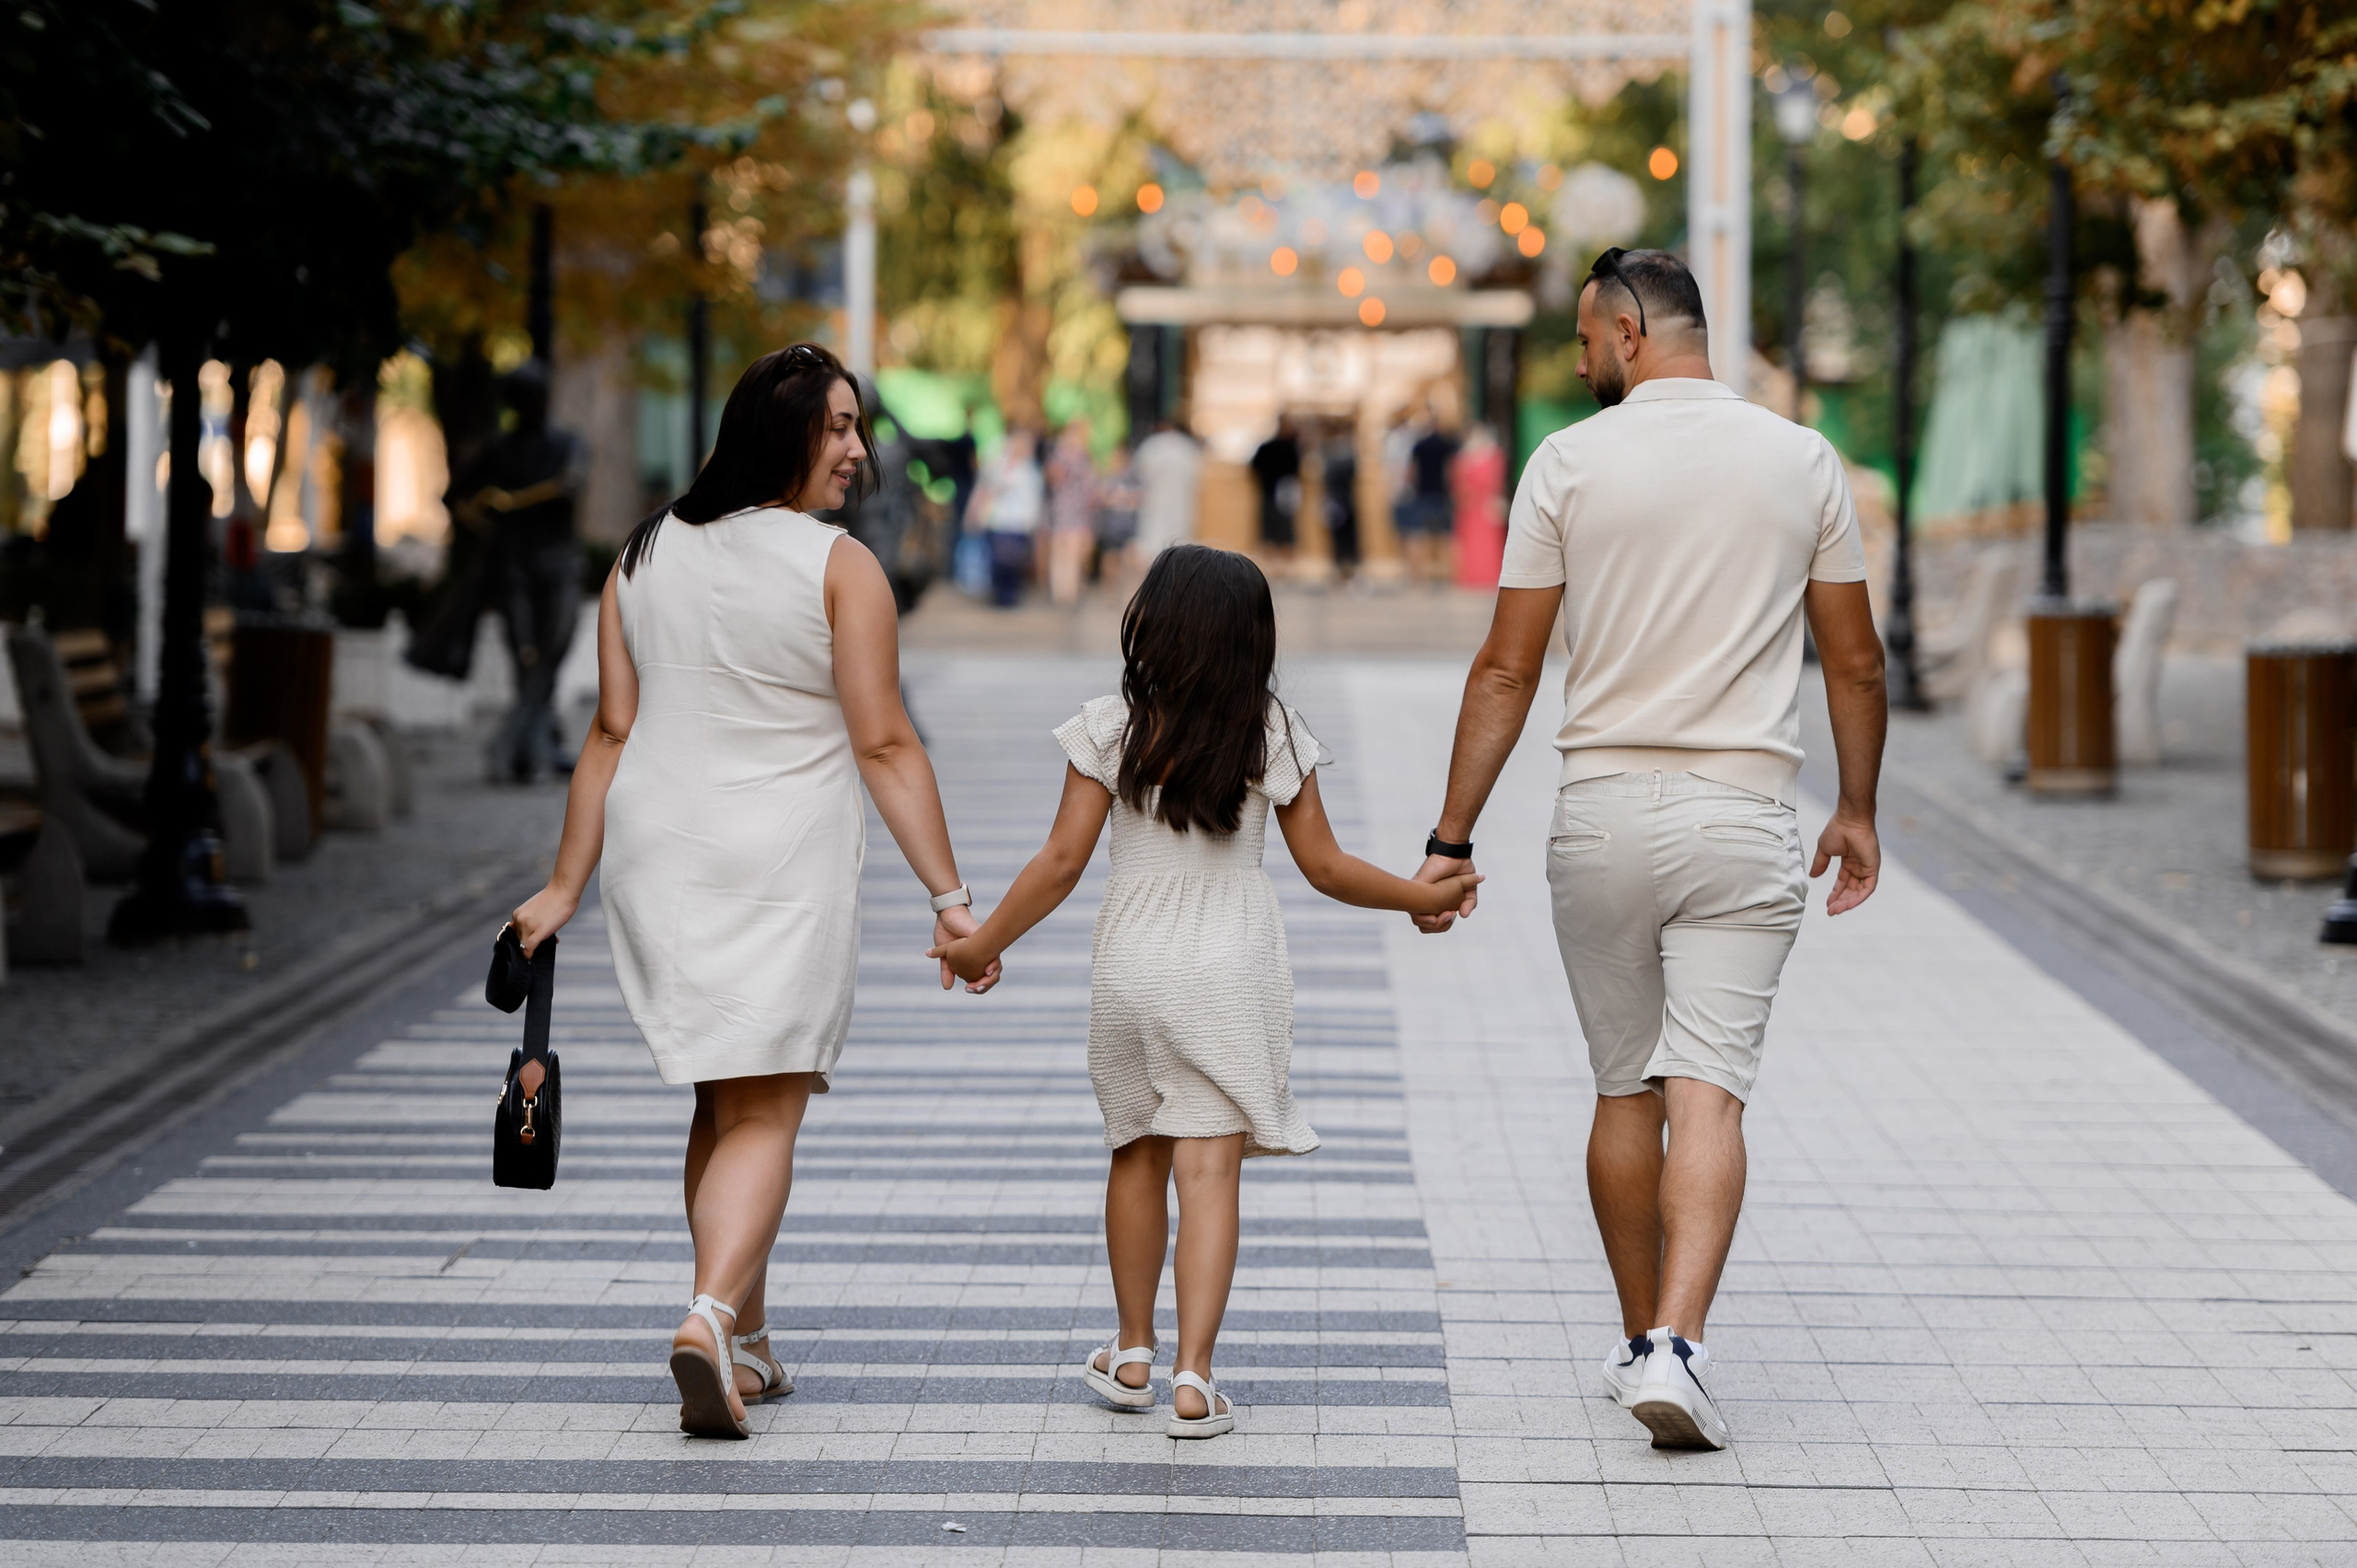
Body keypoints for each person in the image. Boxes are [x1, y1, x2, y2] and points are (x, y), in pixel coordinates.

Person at [1410, 248, 1887, 1453]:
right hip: (1743, 814)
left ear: (1629, 330)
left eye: (1583, 337)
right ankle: (1678, 1342)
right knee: (1709, 1091)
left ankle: (1638, 1341)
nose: (1576, 361)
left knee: (1626, 1084)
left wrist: (1449, 835)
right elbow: (1857, 660)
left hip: (1604, 813)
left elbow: (1509, 665)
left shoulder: (1567, 465)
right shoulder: (1801, 460)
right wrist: (1859, 807)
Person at [509, 343, 1000, 1441]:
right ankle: (708, 1311)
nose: (856, 450)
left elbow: (608, 730)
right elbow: (884, 741)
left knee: (720, 1102)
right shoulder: (838, 566)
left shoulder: (639, 556)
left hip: (659, 859)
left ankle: (750, 1339)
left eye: (855, 426)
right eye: (835, 427)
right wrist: (951, 895)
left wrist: (561, 887)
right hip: (780, 860)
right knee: (769, 1105)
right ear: (778, 433)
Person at [932, 545, 1480, 1440]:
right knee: (1209, 1168)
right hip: (1229, 965)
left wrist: (979, 943)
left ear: (1149, 625)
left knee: (1134, 1151)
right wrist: (1426, 894)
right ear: (1251, 640)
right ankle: (1194, 1374)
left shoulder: (1109, 727)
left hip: (1131, 965)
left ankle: (1133, 1347)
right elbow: (1328, 869)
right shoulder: (1271, 731)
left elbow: (1061, 861)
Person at [449, 362, 585, 783]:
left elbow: (570, 486)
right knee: (527, 660)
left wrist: (507, 502)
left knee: (549, 655)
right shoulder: (499, 449)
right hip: (514, 569)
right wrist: (485, 520)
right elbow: (455, 496)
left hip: (559, 565)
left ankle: (516, 746)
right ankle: (537, 748)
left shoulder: (567, 444)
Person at [969, 427, 1044, 608]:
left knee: (1013, 561)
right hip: (999, 521)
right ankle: (1000, 593)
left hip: (1019, 523)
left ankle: (1010, 594)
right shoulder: (998, 465)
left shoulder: (1031, 470)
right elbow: (986, 487)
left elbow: (1034, 498)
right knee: (999, 560)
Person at [1131, 418, 1201, 563]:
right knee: (1179, 540)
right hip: (1180, 503)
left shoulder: (1153, 445)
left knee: (1153, 543)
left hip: (1157, 502)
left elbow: (1140, 474)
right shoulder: (1188, 447)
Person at [1402, 412, 1459, 587]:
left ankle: (1418, 577)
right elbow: (1452, 469)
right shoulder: (1447, 445)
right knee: (1445, 536)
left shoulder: (1420, 445)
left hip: (1423, 494)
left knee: (1419, 535)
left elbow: (1411, 471)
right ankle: (1448, 576)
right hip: (1442, 494)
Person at [1045, 420, 1097, 605]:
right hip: (1063, 509)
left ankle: (1068, 589)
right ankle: (1062, 590)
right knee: (1062, 551)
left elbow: (1090, 487)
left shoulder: (1083, 457)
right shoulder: (1061, 455)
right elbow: (1053, 478)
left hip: (1076, 511)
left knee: (1073, 552)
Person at [1450, 422, 1507, 589]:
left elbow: (1497, 481)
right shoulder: (1464, 457)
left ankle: (1488, 574)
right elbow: (1457, 481)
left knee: (1488, 543)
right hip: (1470, 507)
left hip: (1486, 505)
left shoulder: (1494, 455)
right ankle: (1471, 575)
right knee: (1471, 542)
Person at [1248, 418, 1301, 564]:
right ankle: (1280, 564)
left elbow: (1253, 467)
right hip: (1280, 492)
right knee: (1281, 529)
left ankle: (1274, 564)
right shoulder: (1290, 448)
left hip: (1272, 491)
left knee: (1275, 529)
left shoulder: (1269, 447)